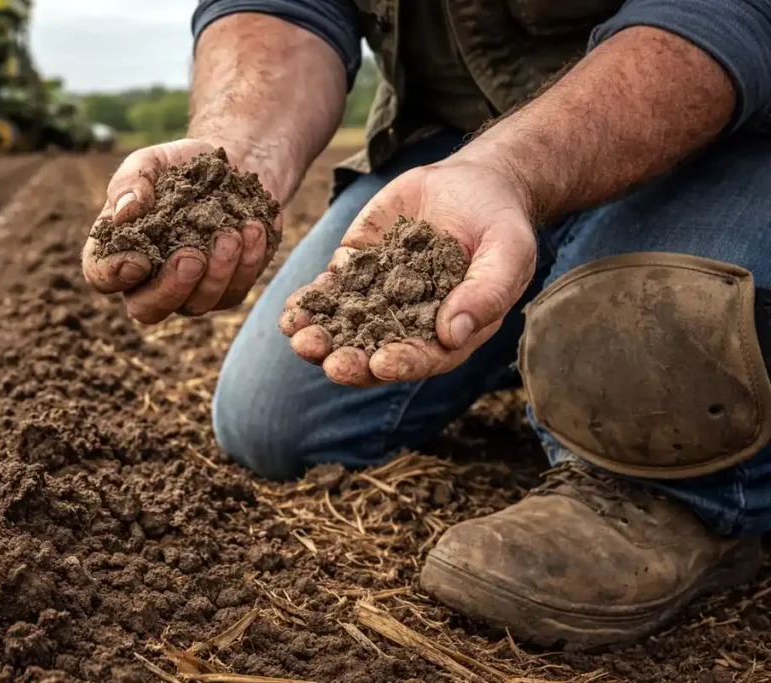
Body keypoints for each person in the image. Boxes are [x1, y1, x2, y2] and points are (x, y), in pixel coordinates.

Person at [83, 0, 771, 649]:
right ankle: (543, 331)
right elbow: (290, 10)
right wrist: (235, 152)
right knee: (274, 421)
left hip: (714, 118)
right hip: (458, 139)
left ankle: (686, 493)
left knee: (669, 334)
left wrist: (511, 169)